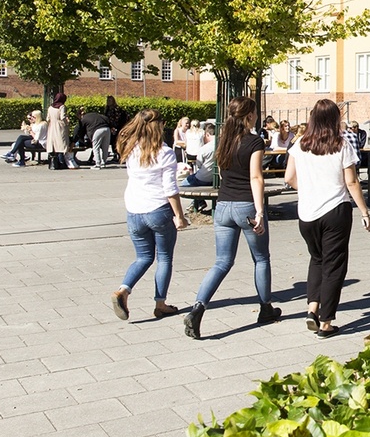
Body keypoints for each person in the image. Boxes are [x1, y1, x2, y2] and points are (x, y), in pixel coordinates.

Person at [183, 97, 280, 340]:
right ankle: (266, 307)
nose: (257, 116)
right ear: (249, 116)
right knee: (261, 258)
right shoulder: (254, 141)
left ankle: (198, 308)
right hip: (245, 205)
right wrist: (259, 211)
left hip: (223, 205)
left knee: (222, 262)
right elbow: (256, 177)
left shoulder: (223, 140)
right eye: (255, 113)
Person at [283, 99, 370, 337]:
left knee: (317, 260)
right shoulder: (341, 144)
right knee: (334, 266)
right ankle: (326, 321)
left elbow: (289, 178)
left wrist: (309, 191)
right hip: (335, 210)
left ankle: (312, 308)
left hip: (307, 213)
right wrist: (364, 212)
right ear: (334, 119)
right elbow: (351, 182)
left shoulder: (299, 145)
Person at [111, 110, 188, 321]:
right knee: (164, 258)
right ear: (158, 127)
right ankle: (160, 304)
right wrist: (179, 215)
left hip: (134, 210)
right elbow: (170, 189)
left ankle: (123, 290)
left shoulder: (131, 149)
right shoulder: (164, 152)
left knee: (143, 257)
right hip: (158, 210)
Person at [181, 121, 216, 214]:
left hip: (203, 178)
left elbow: (199, 164)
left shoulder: (204, 148)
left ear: (207, 134)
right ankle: (198, 202)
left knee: (184, 183)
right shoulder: (223, 146)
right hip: (217, 178)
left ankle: (199, 201)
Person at [45, 92, 71, 170]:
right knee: (61, 143)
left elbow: (47, 118)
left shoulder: (50, 107)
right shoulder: (62, 106)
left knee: (53, 143)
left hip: (52, 126)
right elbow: (62, 117)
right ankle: (61, 162)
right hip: (59, 126)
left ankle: (52, 162)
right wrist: (67, 123)